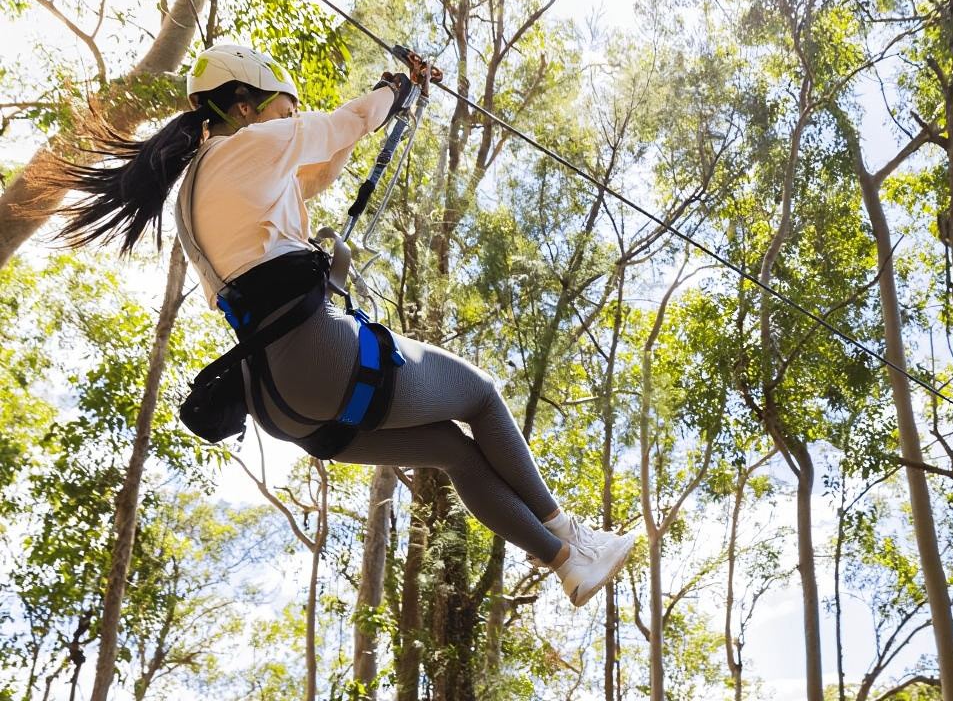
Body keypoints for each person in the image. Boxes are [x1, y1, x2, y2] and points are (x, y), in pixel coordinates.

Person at [52, 43, 634, 607]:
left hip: (282, 405)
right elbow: (344, 123)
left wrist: (385, 110)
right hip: (317, 357)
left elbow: (318, 174)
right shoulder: (247, 146)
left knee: (453, 452)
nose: (292, 121)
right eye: (286, 110)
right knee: (480, 395)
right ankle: (575, 536)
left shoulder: (203, 188)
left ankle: (565, 563)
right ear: (245, 106)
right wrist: (394, 87)